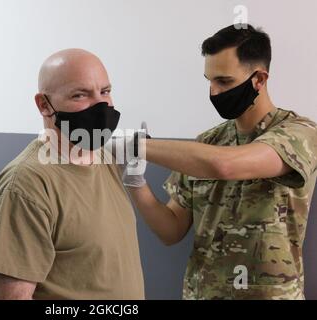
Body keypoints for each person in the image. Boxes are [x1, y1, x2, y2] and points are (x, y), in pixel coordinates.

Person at [122, 25, 317, 299]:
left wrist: (140, 146)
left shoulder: (299, 133)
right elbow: (171, 230)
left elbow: (226, 166)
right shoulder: (206, 142)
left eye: (224, 81)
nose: (214, 92)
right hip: (202, 292)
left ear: (259, 79)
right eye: (209, 80)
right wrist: (136, 183)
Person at [0, 49, 145, 300]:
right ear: (44, 105)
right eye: (80, 95)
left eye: (105, 91)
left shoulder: (105, 160)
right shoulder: (26, 186)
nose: (101, 105)